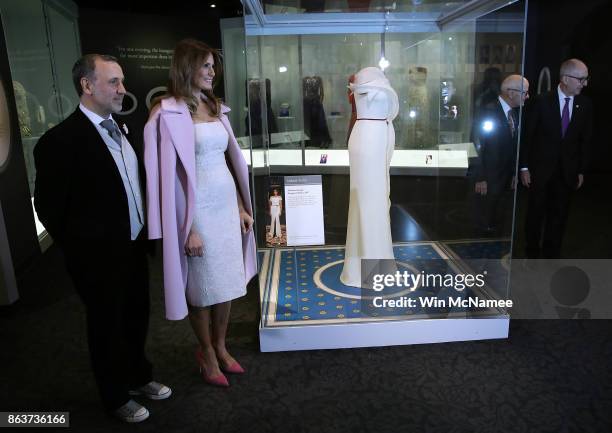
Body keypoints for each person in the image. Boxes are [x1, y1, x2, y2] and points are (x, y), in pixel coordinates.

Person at [33, 54, 170, 423]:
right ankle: (114, 397)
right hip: (97, 259)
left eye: (122, 81)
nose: (123, 90)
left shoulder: (121, 129)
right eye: (114, 82)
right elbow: (50, 209)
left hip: (133, 248)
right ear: (87, 85)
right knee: (106, 326)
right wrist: (84, 251)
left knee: (137, 316)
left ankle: (138, 377)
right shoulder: (59, 141)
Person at [144, 39, 257, 388]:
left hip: (225, 207)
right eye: (205, 66)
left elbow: (228, 162)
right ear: (186, 68)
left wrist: (240, 205)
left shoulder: (216, 107)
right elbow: (164, 177)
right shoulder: (166, 112)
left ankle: (221, 347)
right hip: (195, 214)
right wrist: (186, 227)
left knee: (225, 283)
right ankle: (206, 352)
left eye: (213, 66)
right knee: (202, 288)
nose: (212, 72)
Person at [519, 59, 593, 258]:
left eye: (586, 79)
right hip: (539, 171)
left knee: (559, 216)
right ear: (566, 79)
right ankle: (532, 253)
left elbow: (585, 140)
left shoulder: (585, 105)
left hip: (567, 172)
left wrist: (580, 170)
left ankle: (551, 255)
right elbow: (528, 137)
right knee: (535, 214)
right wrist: (524, 167)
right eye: (581, 79)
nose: (584, 84)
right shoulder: (541, 102)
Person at [341, 67, 399, 288]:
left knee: (368, 204)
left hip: (366, 137)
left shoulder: (365, 84)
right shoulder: (375, 83)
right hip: (370, 141)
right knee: (369, 204)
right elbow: (392, 111)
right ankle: (369, 269)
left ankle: (366, 266)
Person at [472, 74, 529, 235]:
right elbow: (477, 145)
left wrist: (514, 173)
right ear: (511, 93)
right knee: (484, 223)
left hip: (504, 179)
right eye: (525, 92)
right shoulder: (488, 110)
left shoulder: (515, 113)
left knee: (498, 221)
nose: (527, 96)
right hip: (488, 179)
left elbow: (513, 146)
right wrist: (480, 176)